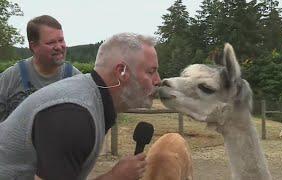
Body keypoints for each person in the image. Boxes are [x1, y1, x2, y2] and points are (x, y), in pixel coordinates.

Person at [0, 32, 161, 180]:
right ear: (122, 72)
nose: (158, 80)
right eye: (151, 71)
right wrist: (115, 177)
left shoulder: (89, 99)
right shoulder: (73, 115)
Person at [0, 15, 81, 122]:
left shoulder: (76, 80)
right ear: (34, 46)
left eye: (61, 40)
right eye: (51, 42)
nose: (58, 47)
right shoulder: (10, 78)